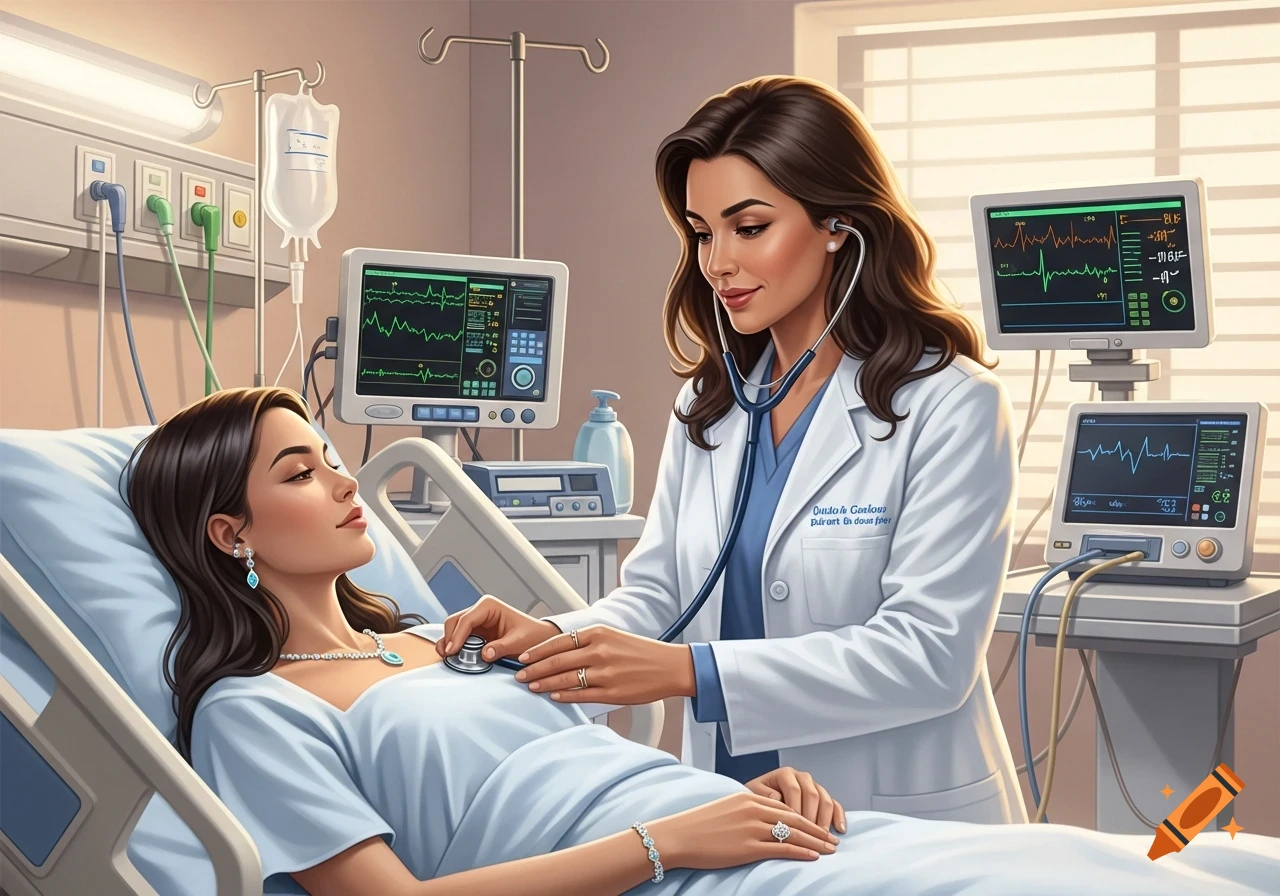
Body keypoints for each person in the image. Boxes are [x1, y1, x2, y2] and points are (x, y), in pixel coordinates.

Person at [125, 388, 1274, 896]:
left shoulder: (449, 637)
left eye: (332, 456)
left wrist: (746, 797)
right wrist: (668, 839)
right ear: (230, 532)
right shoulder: (254, 706)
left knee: (1134, 863)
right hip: (665, 868)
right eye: (299, 470)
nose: (341, 479)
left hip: (740, 830)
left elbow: (629, 674)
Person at [439, 74, 1028, 825]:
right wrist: (552, 637)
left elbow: (927, 656)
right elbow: (660, 596)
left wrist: (692, 673)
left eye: (748, 228)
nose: (717, 262)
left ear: (839, 224)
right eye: (702, 232)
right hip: (735, 807)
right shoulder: (711, 404)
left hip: (898, 818)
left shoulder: (951, 404)